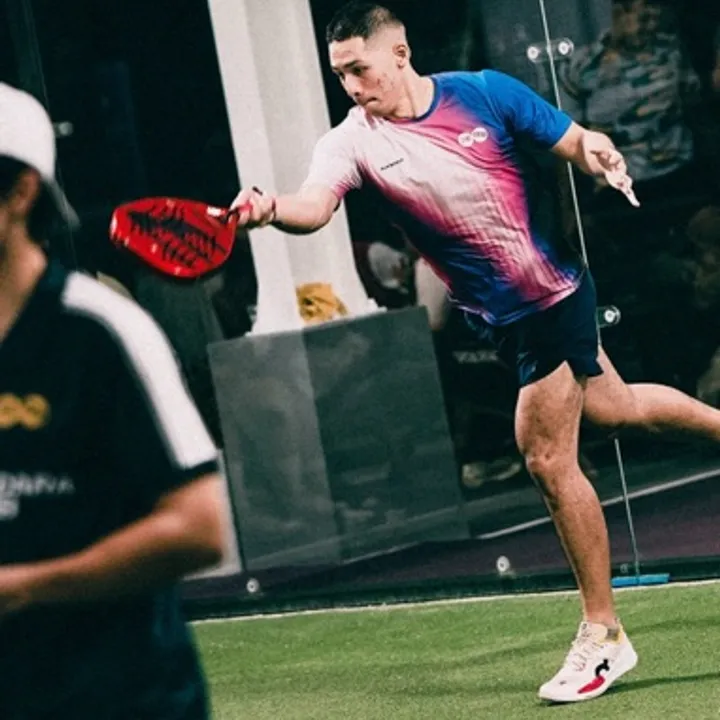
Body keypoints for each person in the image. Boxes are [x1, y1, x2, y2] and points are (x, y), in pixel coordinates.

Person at [231, 0, 720, 704]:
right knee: (616, 408)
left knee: (545, 456)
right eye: (339, 75)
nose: (351, 86)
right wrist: (271, 208)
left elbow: (573, 138)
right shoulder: (351, 142)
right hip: (502, 318)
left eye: (359, 69)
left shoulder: (484, 93)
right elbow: (315, 205)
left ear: (399, 54)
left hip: (552, 291)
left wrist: (598, 150)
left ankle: (605, 634)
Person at [0, 82, 225, 719]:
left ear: (20, 193)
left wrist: (25, 588)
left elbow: (199, 527)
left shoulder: (100, 330)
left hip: (121, 693)